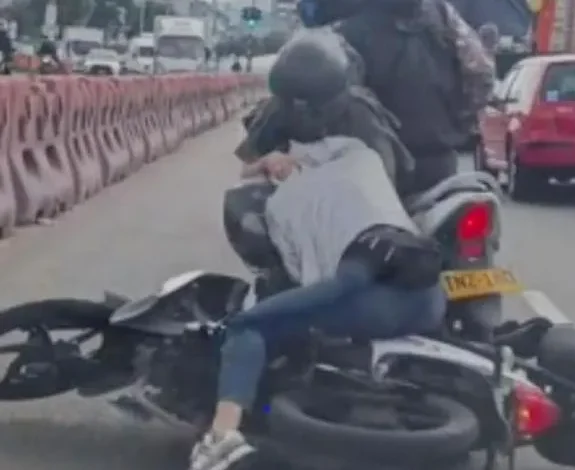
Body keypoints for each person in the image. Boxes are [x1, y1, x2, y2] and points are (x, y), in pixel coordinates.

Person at [188, 78, 446, 470]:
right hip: (429, 297)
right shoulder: (361, 158)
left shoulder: (283, 205)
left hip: (366, 293)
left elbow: (312, 281)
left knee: (250, 327)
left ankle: (219, 440)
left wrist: (253, 317)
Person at [296, 0, 495, 193]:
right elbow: (481, 72)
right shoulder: (442, 14)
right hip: (437, 161)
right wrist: (460, 122)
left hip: (366, 169)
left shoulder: (340, 23)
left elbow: (318, 91)